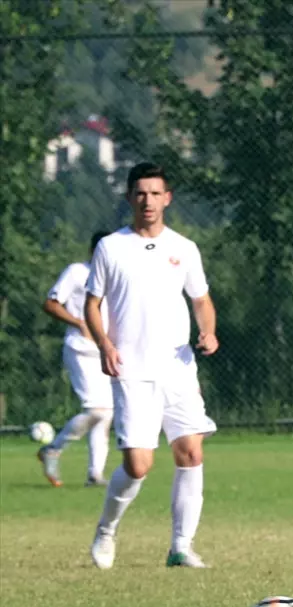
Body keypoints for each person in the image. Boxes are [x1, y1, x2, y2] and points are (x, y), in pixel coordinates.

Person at [83, 162, 219, 570]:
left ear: (167, 199)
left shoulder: (184, 248)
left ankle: (181, 546)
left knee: (191, 451)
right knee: (138, 464)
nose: (148, 200)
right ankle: (107, 530)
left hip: (177, 368)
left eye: (155, 193)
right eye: (140, 193)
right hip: (132, 371)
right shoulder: (111, 247)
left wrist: (208, 332)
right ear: (129, 198)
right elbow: (92, 304)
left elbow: (201, 300)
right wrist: (105, 343)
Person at [37, 231, 114, 487]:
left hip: (105, 351)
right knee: (96, 410)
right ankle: (53, 449)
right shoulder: (77, 272)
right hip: (80, 349)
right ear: (94, 251)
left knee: (105, 414)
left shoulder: (116, 278)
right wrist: (78, 322)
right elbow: (51, 303)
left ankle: (95, 475)